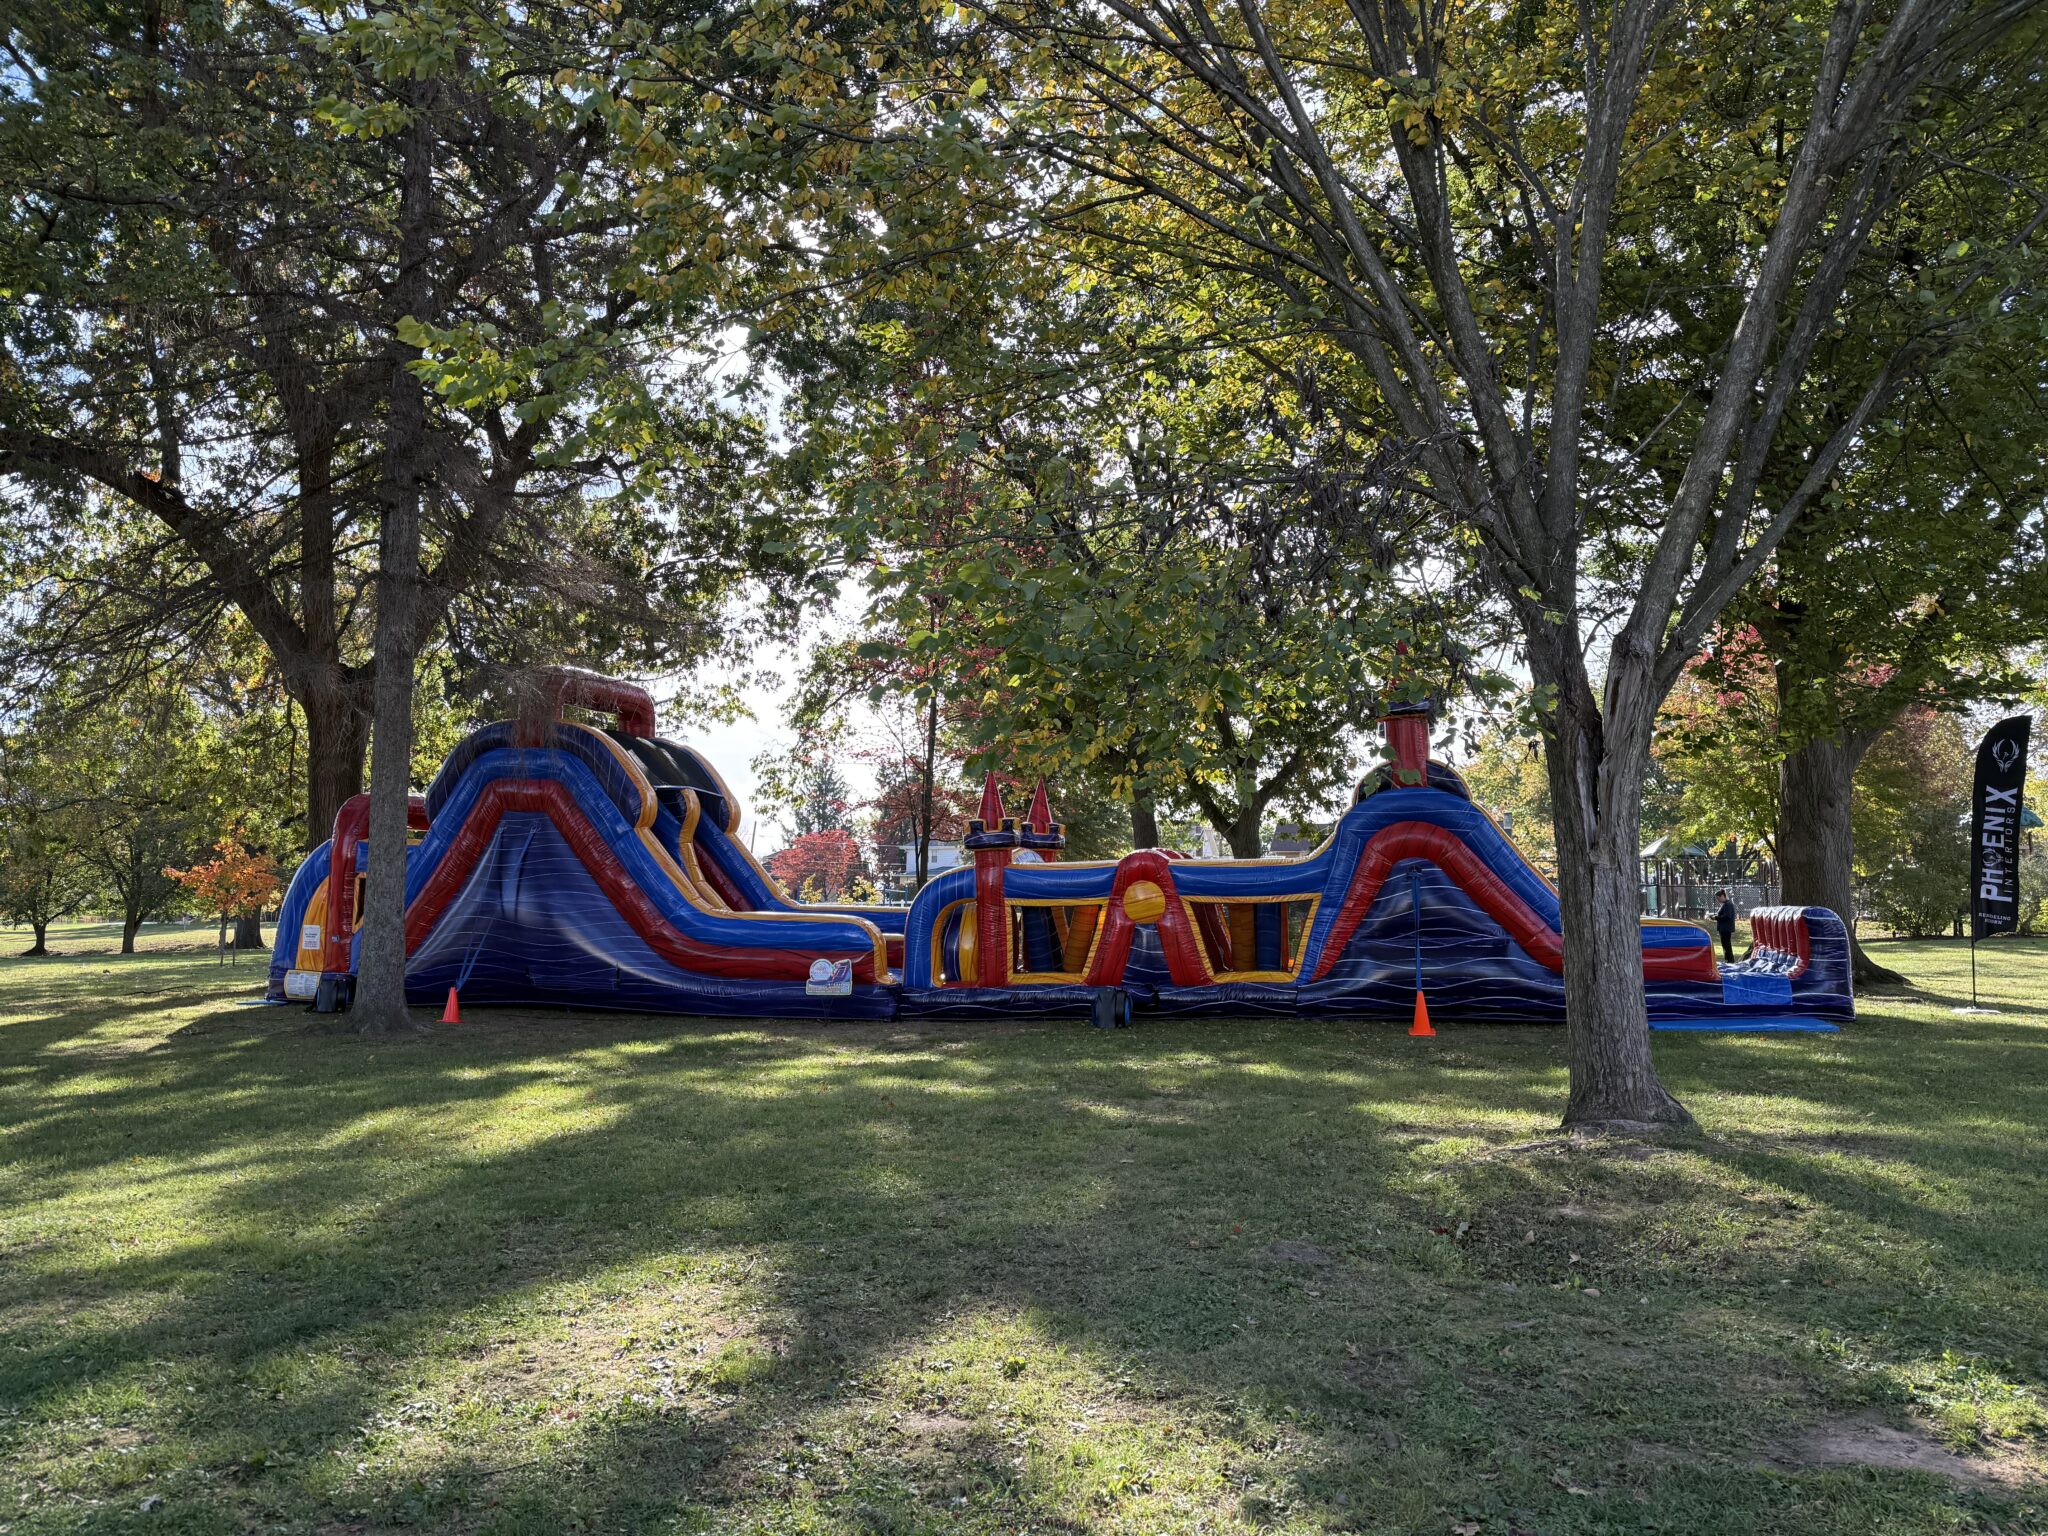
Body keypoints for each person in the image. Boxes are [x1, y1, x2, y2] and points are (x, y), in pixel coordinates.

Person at [1714, 889, 1737, 963]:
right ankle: (1728, 960)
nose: (1718, 900)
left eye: (1718, 898)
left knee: (1726, 945)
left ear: (1722, 896)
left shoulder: (1728, 904)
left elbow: (1727, 916)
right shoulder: (1726, 904)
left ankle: (1730, 960)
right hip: (1724, 928)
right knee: (1725, 945)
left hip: (1726, 928)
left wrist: (1716, 918)